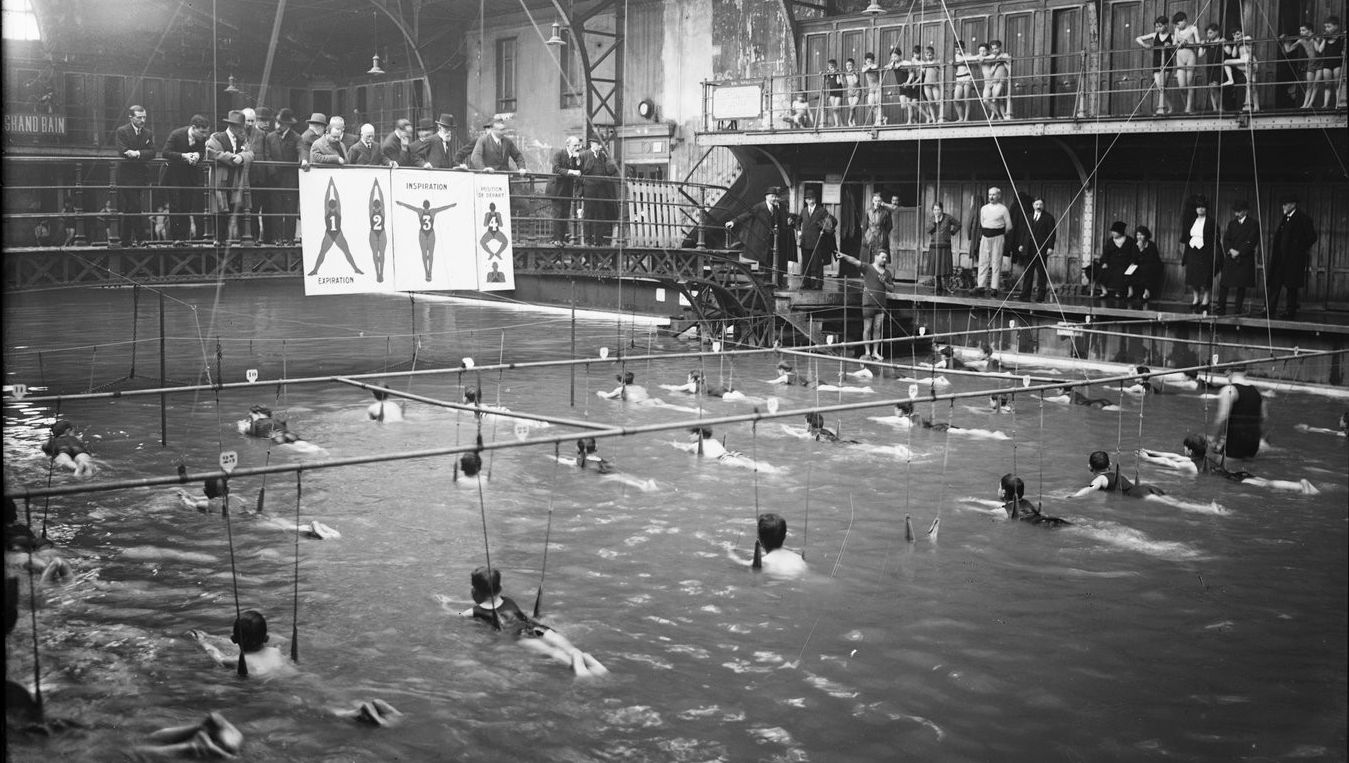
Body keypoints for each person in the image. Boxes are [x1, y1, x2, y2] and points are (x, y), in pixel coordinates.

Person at [459, 566, 609, 678]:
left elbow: (460, 614)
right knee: (562, 644)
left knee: (552, 652)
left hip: (520, 636)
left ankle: (579, 668)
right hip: (535, 626)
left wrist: (445, 605)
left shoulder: (475, 611)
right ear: (501, 588)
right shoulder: (508, 600)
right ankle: (583, 657)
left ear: (474, 592)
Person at [1138, 434, 1318, 493]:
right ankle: (1300, 485)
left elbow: (1169, 462)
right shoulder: (1198, 460)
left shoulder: (1189, 465)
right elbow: (1171, 456)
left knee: (1267, 485)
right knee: (1266, 482)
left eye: (1185, 448)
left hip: (1233, 480)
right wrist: (1151, 452)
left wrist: (1148, 459)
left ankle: (1300, 487)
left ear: (1190, 451)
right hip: (1235, 474)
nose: (1183, 451)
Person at [187, 610, 297, 678]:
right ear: (266, 638)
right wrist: (211, 637)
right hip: (291, 676)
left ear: (234, 639)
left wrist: (202, 641)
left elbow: (217, 656)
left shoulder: (236, 661)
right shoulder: (275, 651)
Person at [724, 186, 793, 285]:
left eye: (775, 196)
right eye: (772, 196)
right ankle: (763, 281)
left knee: (770, 259)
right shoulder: (760, 207)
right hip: (761, 237)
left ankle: (768, 280)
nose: (774, 198)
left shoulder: (776, 208)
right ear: (766, 197)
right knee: (762, 259)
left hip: (771, 239)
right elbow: (747, 214)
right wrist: (733, 221)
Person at [1266, 194, 1317, 320]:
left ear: (1293, 204)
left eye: (1286, 204)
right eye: (1283, 204)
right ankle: (1269, 309)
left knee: (1291, 287)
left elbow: (1312, 237)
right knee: (1275, 284)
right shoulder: (1285, 218)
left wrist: (1297, 247)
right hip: (1280, 260)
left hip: (1293, 261)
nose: (1283, 206)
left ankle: (1290, 312)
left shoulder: (1303, 218)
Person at [205, 111, 253, 245]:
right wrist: (232, 158)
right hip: (221, 179)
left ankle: (233, 240)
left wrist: (242, 157)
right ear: (231, 125)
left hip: (236, 180)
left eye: (242, 126)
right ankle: (219, 240)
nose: (241, 128)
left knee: (235, 208)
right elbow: (211, 152)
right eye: (238, 126)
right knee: (220, 209)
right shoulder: (217, 137)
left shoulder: (243, 139)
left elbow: (251, 153)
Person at [836, 250, 893, 361]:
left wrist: (884, 283)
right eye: (883, 257)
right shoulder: (867, 268)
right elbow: (855, 261)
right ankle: (867, 351)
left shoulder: (887, 273)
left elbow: (892, 288)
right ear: (876, 257)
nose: (884, 260)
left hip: (881, 304)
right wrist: (844, 256)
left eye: (886, 258)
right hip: (868, 302)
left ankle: (875, 352)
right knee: (867, 328)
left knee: (878, 328)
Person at [114, 105, 156, 246]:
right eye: (139, 117)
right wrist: (139, 154)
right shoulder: (122, 131)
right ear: (131, 117)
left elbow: (153, 152)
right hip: (125, 176)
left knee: (130, 207)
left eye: (144, 117)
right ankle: (141, 238)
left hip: (139, 175)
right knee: (135, 205)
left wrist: (137, 153)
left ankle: (125, 240)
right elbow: (123, 151)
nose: (142, 120)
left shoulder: (148, 133)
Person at [307, 176, 364, 276]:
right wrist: (332, 186)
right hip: (333, 233)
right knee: (326, 252)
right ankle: (315, 270)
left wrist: (330, 186)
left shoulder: (329, 211)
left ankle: (355, 268)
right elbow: (334, 199)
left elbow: (329, 199)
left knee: (342, 252)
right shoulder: (335, 211)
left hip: (334, 233)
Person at [1210, 365, 1266, 459]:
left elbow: (1222, 417)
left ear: (1227, 372)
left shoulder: (1229, 390)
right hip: (1254, 444)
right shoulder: (1257, 392)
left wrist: (1214, 440)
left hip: (1234, 443)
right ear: (1245, 372)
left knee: (1215, 465)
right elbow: (1264, 417)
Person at [726, 513, 807, 577]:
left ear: (760, 540)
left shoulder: (764, 563)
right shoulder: (798, 557)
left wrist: (730, 551)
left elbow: (739, 562)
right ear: (784, 536)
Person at [395, 198, 457, 282]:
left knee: (424, 254)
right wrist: (451, 205)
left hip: (422, 234)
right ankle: (429, 273)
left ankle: (426, 273)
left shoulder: (420, 211)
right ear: (429, 205)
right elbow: (443, 208)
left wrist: (401, 203)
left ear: (423, 205)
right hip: (431, 233)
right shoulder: (433, 211)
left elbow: (410, 207)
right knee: (430, 254)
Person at [265, 109, 302, 244]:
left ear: (288, 125)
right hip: (274, 179)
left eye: (281, 123)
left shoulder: (296, 137)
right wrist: (272, 171)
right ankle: (277, 238)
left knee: (290, 211)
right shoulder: (270, 137)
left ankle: (290, 238)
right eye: (277, 122)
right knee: (276, 210)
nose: (278, 126)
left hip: (290, 180)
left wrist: (303, 160)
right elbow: (267, 155)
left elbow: (301, 150)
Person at [1216, 200, 1259, 315]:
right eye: (1235, 212)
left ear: (1246, 211)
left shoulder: (1253, 224)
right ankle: (1221, 306)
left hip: (1244, 257)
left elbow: (1252, 241)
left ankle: (1237, 309)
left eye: (1239, 212)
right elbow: (1226, 239)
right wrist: (1230, 250)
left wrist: (1239, 252)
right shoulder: (1232, 223)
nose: (1236, 214)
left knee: (1241, 284)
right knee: (1224, 283)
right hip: (1231, 256)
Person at [1180, 195, 1219, 314]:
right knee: (1193, 277)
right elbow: (1186, 237)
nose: (1201, 209)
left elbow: (1216, 239)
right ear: (1195, 209)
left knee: (1205, 278)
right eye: (1198, 207)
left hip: (1205, 253)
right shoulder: (1191, 221)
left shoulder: (1211, 222)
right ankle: (1196, 298)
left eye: (1203, 207)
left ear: (1206, 209)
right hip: (1193, 252)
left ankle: (1206, 299)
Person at [1072, 450, 1165, 498]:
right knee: (1174, 503)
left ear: (1089, 467)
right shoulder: (1116, 475)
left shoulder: (1101, 478)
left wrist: (1074, 496)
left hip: (1138, 494)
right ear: (1110, 465)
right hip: (1147, 488)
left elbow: (1091, 487)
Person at [974, 187, 1013, 296]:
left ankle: (994, 288)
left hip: (998, 237)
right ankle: (981, 286)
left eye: (994, 195)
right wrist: (988, 232)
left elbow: (1009, 226)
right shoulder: (984, 208)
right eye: (990, 194)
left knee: (996, 262)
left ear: (999, 196)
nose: (991, 197)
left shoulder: (1003, 209)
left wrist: (998, 234)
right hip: (985, 237)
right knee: (983, 261)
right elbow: (982, 223)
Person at [794, 189, 836, 290]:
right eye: (808, 199)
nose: (810, 200)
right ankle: (806, 283)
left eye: (812, 198)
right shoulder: (804, 211)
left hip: (817, 242)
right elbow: (797, 222)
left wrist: (825, 228)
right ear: (806, 201)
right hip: (805, 241)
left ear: (815, 199)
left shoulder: (821, 210)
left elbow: (833, 221)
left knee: (817, 263)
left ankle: (818, 283)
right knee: (805, 263)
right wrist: (799, 231)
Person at [579, 138, 618, 246]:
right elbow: (578, 172)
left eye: (602, 145)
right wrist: (582, 187)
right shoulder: (584, 155)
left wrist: (613, 162)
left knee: (600, 214)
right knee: (588, 214)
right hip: (589, 189)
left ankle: (598, 240)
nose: (600, 147)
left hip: (601, 189)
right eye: (599, 144)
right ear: (592, 144)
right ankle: (587, 240)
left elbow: (608, 171)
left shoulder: (603, 156)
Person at [1017, 197, 1056, 302]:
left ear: (1043, 206)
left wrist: (1050, 247)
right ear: (1033, 205)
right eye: (1036, 204)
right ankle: (1025, 295)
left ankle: (1040, 296)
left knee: (1041, 273)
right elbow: (1024, 231)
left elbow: (1052, 234)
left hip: (1041, 249)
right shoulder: (1029, 217)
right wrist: (1021, 244)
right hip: (1028, 249)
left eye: (1040, 204)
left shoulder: (1048, 218)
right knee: (1028, 272)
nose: (1038, 207)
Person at [1136, 15, 1176, 115]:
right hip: (1156, 63)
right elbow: (1138, 38)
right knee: (1159, 86)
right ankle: (1169, 107)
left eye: (1160, 26)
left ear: (1166, 25)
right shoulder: (1154, 35)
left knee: (1163, 85)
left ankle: (1166, 108)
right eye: (1156, 26)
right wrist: (1145, 45)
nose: (1158, 28)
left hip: (1167, 63)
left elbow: (1175, 50)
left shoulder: (1172, 36)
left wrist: (1170, 46)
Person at [547, 136, 583, 245]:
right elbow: (556, 169)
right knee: (557, 214)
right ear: (568, 145)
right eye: (575, 145)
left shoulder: (575, 157)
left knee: (565, 214)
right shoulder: (559, 154)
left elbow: (579, 172)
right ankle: (556, 239)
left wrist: (577, 161)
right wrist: (572, 171)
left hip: (567, 189)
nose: (577, 148)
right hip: (557, 189)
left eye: (578, 145)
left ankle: (561, 239)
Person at [1000, 474, 1071, 526]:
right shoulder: (1026, 502)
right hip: (1051, 521)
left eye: (999, 487)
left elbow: (992, 512)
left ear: (1003, 492)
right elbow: (1009, 505)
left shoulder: (1003, 511)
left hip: (1043, 526)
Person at [1099, 220, 1137, 306]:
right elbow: (1105, 254)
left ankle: (1127, 293)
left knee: (1128, 272)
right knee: (1102, 271)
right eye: (1112, 232)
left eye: (1115, 232)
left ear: (1120, 232)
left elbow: (1134, 254)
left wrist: (1132, 262)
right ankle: (1104, 291)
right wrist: (1105, 262)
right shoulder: (1110, 241)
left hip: (1126, 263)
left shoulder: (1130, 241)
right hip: (1112, 264)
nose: (1113, 233)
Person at [1281, 23, 1319, 109]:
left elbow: (1319, 49)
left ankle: (1310, 104)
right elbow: (1289, 49)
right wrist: (1285, 41)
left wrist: (1314, 39)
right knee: (1309, 85)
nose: (1301, 32)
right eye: (1300, 31)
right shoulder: (1301, 40)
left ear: (1310, 30)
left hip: (1320, 61)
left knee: (1316, 84)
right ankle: (1305, 104)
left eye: (1303, 30)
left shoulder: (1316, 37)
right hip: (1311, 62)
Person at [927, 202, 961, 294]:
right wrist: (935, 222)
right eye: (934, 210)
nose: (936, 212)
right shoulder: (932, 218)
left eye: (938, 209)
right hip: (935, 246)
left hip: (945, 245)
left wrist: (952, 232)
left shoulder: (948, 217)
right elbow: (928, 230)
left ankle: (947, 285)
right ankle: (938, 286)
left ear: (942, 209)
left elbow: (958, 224)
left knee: (945, 266)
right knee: (936, 266)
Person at [1311, 16, 1344, 110]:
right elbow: (1320, 50)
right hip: (1327, 63)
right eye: (1326, 27)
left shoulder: (1340, 38)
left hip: (1337, 62)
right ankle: (1325, 104)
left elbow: (1342, 51)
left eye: (1329, 27)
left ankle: (1338, 104)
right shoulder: (1326, 39)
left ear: (1336, 27)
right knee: (1327, 84)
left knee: (1337, 84)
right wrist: (1324, 39)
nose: (1327, 29)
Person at [1171, 12, 1201, 113]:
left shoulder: (1193, 28)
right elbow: (1174, 44)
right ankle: (1186, 105)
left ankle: (1188, 107)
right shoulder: (1176, 30)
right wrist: (1179, 43)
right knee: (1182, 86)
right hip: (1179, 56)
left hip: (1190, 56)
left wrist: (1188, 43)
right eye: (1175, 24)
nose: (1176, 26)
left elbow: (1198, 43)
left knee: (1189, 82)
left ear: (1184, 20)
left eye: (1178, 23)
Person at [1128, 226, 1163, 309]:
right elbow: (1133, 258)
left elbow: (1151, 259)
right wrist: (1132, 263)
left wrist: (1142, 249)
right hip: (1138, 265)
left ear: (1146, 235)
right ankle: (1131, 292)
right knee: (1129, 271)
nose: (1139, 237)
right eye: (1138, 235)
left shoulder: (1151, 245)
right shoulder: (1135, 245)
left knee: (1146, 269)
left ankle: (1147, 292)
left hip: (1151, 265)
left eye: (1141, 235)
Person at [858, 192, 896, 267]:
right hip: (870, 236)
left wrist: (883, 233)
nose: (877, 203)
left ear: (881, 201)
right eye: (875, 201)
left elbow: (889, 226)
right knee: (869, 257)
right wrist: (866, 236)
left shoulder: (886, 212)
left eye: (879, 201)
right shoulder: (868, 211)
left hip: (881, 236)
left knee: (881, 257)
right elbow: (864, 226)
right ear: (872, 201)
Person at [237, 405, 305, 445]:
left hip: (276, 438)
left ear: (258, 414)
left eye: (251, 416)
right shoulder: (277, 421)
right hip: (288, 434)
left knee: (283, 443)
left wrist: (240, 427)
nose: (250, 418)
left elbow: (246, 433)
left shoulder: (256, 423)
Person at [981, 40, 1012, 120]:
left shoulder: (1004, 55)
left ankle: (1002, 115)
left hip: (1002, 79)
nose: (994, 50)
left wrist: (1003, 61)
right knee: (998, 99)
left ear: (1000, 47)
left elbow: (1009, 67)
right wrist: (994, 67)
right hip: (995, 79)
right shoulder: (993, 57)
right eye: (993, 49)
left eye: (996, 48)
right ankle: (1000, 116)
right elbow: (991, 71)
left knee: (995, 97)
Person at [1199, 24, 1227, 112]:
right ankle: (1214, 108)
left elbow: (1229, 51)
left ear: (1216, 32)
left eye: (1210, 33)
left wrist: (1224, 44)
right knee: (1211, 88)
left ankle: (1221, 107)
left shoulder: (1221, 40)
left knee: (1216, 87)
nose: (1208, 35)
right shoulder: (1208, 42)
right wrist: (1201, 45)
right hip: (1210, 67)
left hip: (1218, 67)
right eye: (1207, 33)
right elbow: (1200, 54)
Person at [952, 41, 976, 122]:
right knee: (956, 100)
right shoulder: (957, 56)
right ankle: (960, 117)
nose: (958, 51)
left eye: (959, 49)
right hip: (959, 78)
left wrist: (972, 62)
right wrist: (953, 64)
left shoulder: (969, 55)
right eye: (956, 50)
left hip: (967, 77)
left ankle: (966, 118)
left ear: (963, 48)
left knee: (966, 99)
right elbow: (959, 63)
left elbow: (975, 66)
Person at [861, 52, 883, 125]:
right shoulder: (864, 67)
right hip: (871, 88)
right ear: (865, 61)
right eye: (868, 61)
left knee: (877, 104)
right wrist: (868, 66)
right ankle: (881, 117)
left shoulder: (874, 65)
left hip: (877, 87)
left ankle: (878, 120)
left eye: (871, 61)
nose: (869, 63)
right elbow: (863, 70)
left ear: (873, 61)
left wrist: (870, 66)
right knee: (870, 104)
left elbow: (875, 67)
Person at [821, 59, 845, 127]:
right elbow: (824, 77)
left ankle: (841, 123)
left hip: (838, 91)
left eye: (833, 67)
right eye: (830, 67)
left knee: (836, 108)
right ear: (828, 67)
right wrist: (822, 73)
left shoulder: (838, 73)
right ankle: (837, 124)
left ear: (836, 66)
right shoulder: (828, 74)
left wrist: (838, 74)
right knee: (834, 109)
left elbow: (839, 82)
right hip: (832, 92)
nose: (832, 68)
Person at [843, 57, 863, 126]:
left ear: (853, 65)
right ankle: (854, 122)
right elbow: (844, 83)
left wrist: (853, 73)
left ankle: (849, 120)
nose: (848, 67)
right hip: (850, 91)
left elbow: (856, 81)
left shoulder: (856, 72)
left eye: (850, 65)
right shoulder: (846, 73)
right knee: (852, 107)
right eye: (847, 65)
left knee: (853, 106)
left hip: (857, 90)